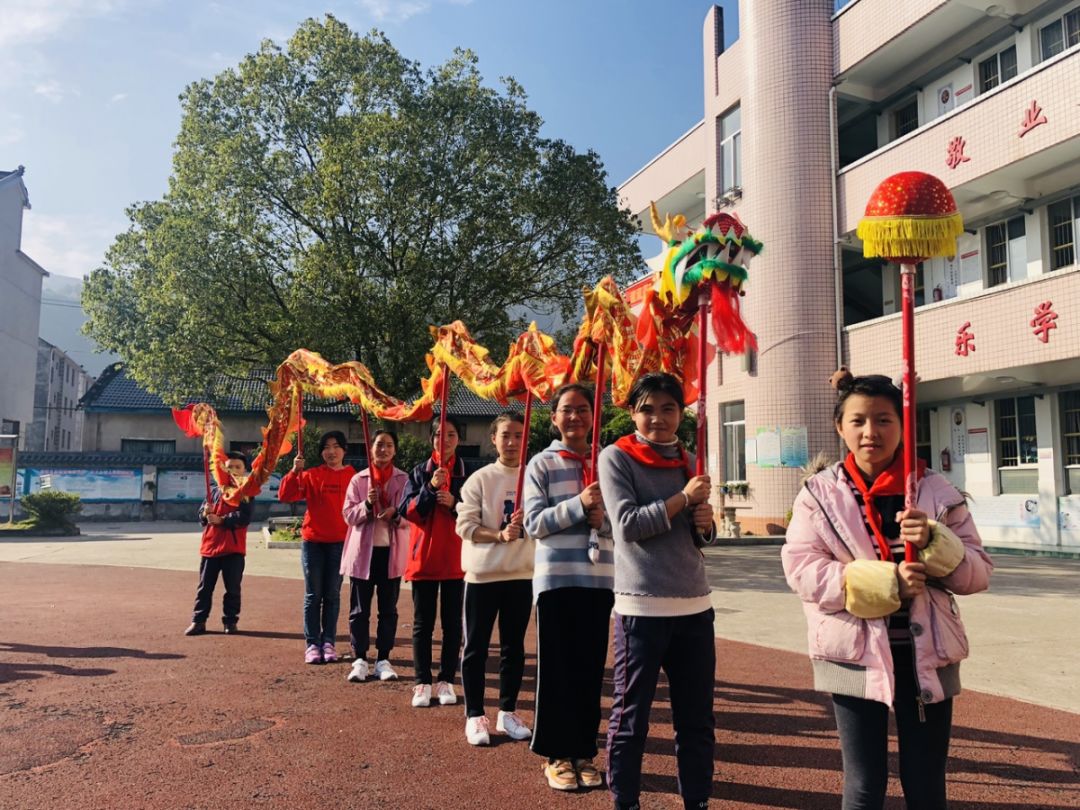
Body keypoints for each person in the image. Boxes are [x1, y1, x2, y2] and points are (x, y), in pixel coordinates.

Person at [782, 369, 993, 810]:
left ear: (903, 425)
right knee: (864, 783)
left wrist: (937, 543)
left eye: (883, 419)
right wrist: (885, 582)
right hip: (853, 654)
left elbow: (977, 574)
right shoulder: (817, 494)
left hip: (927, 654)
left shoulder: (935, 491)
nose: (870, 432)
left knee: (925, 781)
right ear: (840, 426)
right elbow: (802, 570)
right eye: (858, 420)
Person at [597, 372, 716, 810]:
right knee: (631, 720)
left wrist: (707, 525)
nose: (658, 418)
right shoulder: (616, 458)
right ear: (632, 413)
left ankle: (697, 801)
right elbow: (627, 527)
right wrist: (684, 499)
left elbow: (700, 536)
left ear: (681, 414)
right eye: (647, 408)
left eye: (668, 408)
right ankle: (625, 801)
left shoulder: (688, 459)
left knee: (697, 721)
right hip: (641, 610)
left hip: (696, 607)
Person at [522, 383, 614, 792]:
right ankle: (556, 754)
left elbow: (623, 524)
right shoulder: (541, 464)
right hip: (557, 581)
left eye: (582, 409)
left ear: (593, 415)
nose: (575, 416)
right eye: (566, 410)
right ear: (554, 418)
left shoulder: (609, 463)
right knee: (557, 669)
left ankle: (584, 752)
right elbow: (533, 523)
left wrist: (603, 520)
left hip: (599, 580)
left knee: (590, 670)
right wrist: (578, 505)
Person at [455, 412, 535, 746]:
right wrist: (499, 535)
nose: (513, 442)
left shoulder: (535, 478)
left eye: (519, 434)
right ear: (494, 439)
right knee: (475, 647)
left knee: (513, 648)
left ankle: (507, 711)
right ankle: (475, 715)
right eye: (506, 435)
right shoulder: (479, 479)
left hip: (522, 574)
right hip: (483, 577)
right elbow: (465, 526)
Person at [400, 416, 469, 708]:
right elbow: (408, 511)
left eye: (451, 434)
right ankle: (422, 682)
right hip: (424, 558)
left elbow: (477, 513)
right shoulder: (419, 472)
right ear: (432, 440)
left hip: (457, 558)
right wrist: (429, 486)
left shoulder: (469, 472)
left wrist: (455, 504)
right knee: (422, 624)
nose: (446, 440)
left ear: (458, 439)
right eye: (440, 435)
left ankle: (446, 680)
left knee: (453, 624)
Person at [279, 430, 356, 665]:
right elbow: (285, 495)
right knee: (314, 595)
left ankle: (329, 641)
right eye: (326, 447)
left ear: (344, 449)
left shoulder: (355, 476)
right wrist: (295, 470)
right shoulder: (311, 474)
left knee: (332, 594)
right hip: (313, 542)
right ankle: (312, 643)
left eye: (335, 446)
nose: (331, 451)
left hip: (340, 542)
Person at [341, 429, 410, 683]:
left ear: (395, 450)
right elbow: (348, 515)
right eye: (379, 444)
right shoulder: (359, 480)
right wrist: (367, 505)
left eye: (389, 445)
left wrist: (396, 514)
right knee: (359, 609)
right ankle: (359, 658)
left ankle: (383, 658)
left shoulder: (404, 480)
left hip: (390, 554)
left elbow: (411, 518)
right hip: (363, 554)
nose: (384, 449)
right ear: (371, 449)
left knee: (388, 609)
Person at [185, 451, 253, 636]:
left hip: (233, 549)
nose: (233, 470)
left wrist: (222, 519)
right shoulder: (214, 491)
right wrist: (205, 513)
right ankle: (199, 621)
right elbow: (201, 517)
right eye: (229, 466)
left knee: (232, 589)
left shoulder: (245, 492)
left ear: (244, 470)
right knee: (204, 588)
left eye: (238, 467)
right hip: (210, 548)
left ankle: (230, 622)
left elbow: (244, 517)